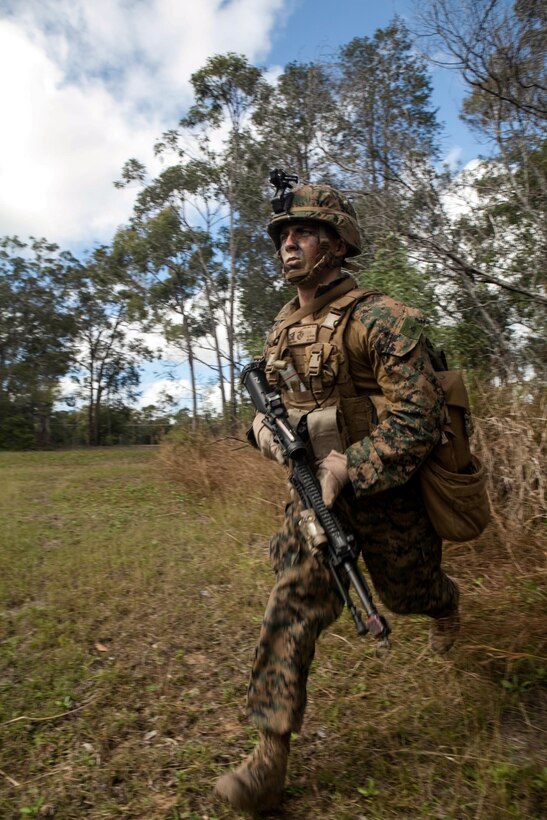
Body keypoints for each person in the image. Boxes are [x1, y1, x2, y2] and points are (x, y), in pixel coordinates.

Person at [213, 178, 460, 813]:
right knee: (294, 595)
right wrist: (265, 434)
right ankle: (269, 758)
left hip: (386, 492)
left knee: (409, 593)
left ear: (337, 243)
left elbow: (419, 424)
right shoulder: (280, 329)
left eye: (302, 232)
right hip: (314, 494)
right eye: (282, 235)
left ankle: (444, 603)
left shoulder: (383, 318)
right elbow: (268, 406)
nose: (287, 243)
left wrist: (348, 466)